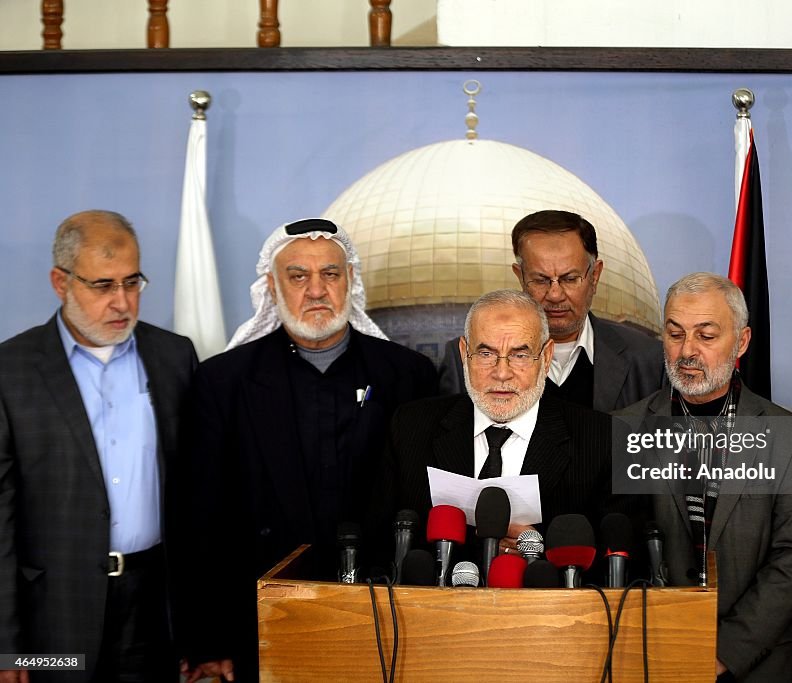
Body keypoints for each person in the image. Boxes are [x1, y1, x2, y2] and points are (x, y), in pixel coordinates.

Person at [172, 218, 437, 683]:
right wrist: (211, 639)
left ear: (350, 282)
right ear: (272, 288)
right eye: (298, 276)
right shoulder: (223, 383)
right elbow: (201, 519)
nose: (317, 290)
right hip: (261, 623)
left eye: (330, 274)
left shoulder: (407, 375)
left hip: (384, 619)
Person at [0, 210, 197, 682]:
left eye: (132, 283)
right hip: (53, 620)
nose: (122, 302)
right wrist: (9, 652)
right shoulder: (11, 371)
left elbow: (198, 499)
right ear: (60, 281)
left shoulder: (174, 358)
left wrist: (198, 631)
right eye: (103, 286)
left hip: (155, 608)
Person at [616, 272, 792, 683]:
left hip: (760, 662)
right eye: (675, 335)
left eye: (706, 336)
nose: (687, 351)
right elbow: (620, 548)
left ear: (741, 343)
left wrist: (725, 653)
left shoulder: (790, 434)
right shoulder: (625, 428)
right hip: (653, 654)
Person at [376, 289, 621, 564]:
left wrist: (540, 552)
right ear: (463, 353)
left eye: (519, 355)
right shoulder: (410, 428)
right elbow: (381, 547)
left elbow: (621, 559)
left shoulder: (602, 439)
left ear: (546, 355)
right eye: (485, 353)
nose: (502, 373)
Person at [439, 210, 663, 412]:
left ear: (595, 276)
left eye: (570, 279)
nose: (555, 295)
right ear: (521, 277)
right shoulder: (466, 361)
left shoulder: (648, 360)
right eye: (540, 280)